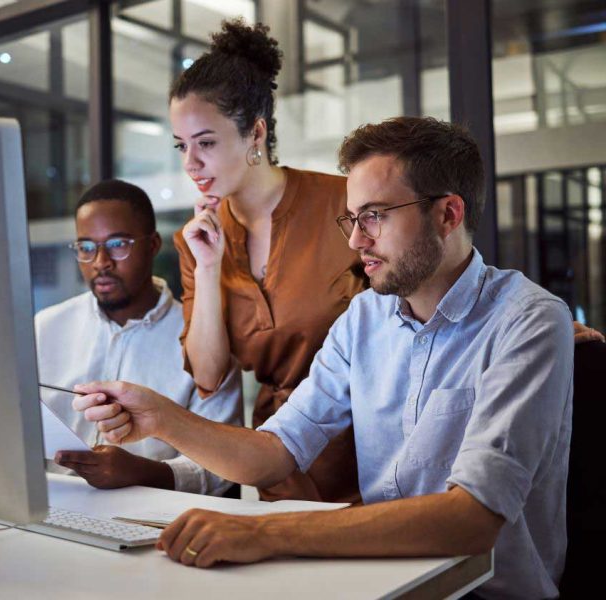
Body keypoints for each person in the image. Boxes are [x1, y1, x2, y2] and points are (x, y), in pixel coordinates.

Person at [75, 117, 574, 599]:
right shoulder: (364, 319)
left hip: (479, 593)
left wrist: (270, 534)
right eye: (353, 218)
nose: (357, 241)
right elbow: (274, 454)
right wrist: (160, 417)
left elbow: (470, 520)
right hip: (382, 580)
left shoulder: (527, 321)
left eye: (375, 215)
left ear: (448, 214)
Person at [170, 18, 365, 502]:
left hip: (370, 451)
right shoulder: (197, 241)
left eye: (206, 142)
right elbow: (210, 376)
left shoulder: (345, 203)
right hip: (278, 462)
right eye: (182, 145)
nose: (190, 164)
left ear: (255, 133)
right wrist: (210, 267)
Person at [34, 179, 242, 496]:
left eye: (118, 245)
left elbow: (226, 466)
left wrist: (143, 472)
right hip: (53, 506)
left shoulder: (203, 338)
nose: (100, 262)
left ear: (153, 245)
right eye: (86, 248)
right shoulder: (46, 328)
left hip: (155, 518)